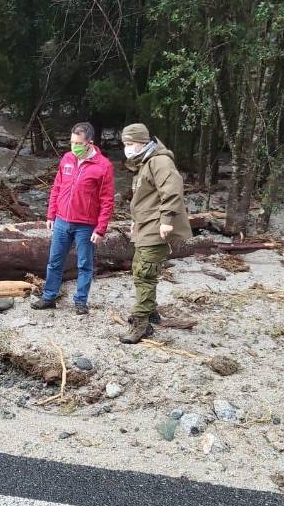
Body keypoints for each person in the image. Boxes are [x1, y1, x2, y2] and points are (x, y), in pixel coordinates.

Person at [32, 122, 115, 315]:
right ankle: (49, 297)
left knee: (85, 264)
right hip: (61, 220)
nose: (74, 146)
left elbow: (107, 200)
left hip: (86, 225)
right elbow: (57, 188)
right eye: (72, 142)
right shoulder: (67, 159)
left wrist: (101, 228)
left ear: (89, 143)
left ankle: (80, 301)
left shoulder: (103, 166)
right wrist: (51, 214)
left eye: (78, 143)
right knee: (54, 262)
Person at [121, 123, 193, 343]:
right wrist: (135, 221)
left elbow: (172, 189)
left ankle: (140, 324)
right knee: (140, 269)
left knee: (144, 272)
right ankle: (151, 312)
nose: (127, 148)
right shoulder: (144, 163)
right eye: (125, 144)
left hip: (156, 226)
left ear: (142, 142)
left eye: (130, 143)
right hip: (146, 224)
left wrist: (166, 220)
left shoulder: (159, 161)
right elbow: (145, 198)